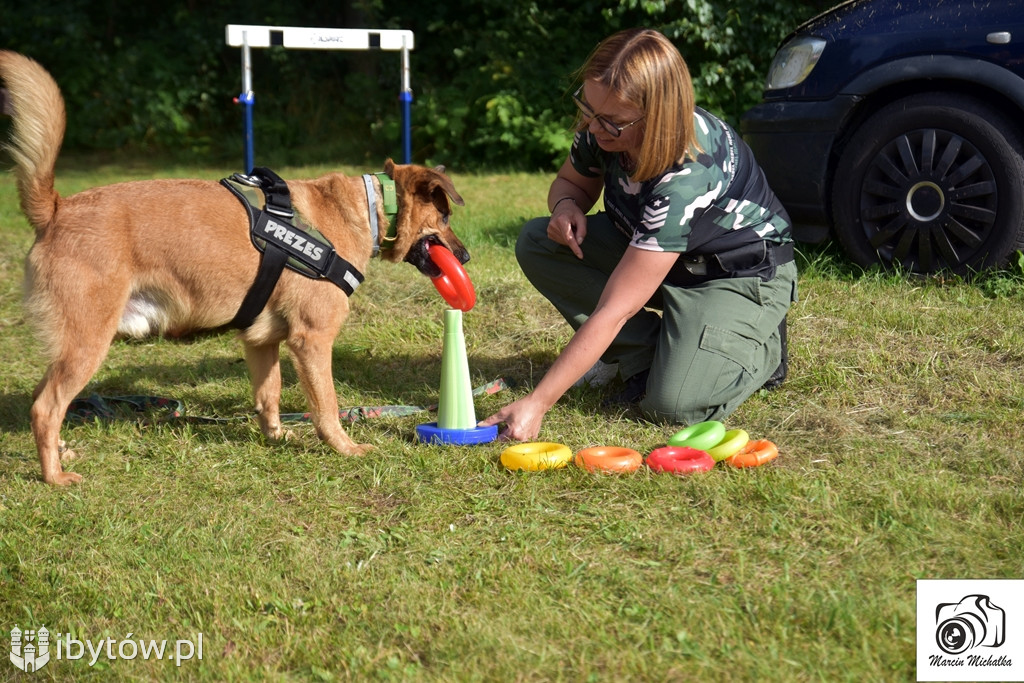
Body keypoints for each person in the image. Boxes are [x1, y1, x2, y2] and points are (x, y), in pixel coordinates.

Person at [479, 28, 798, 443]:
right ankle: (647, 356)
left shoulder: (687, 174)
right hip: (659, 260)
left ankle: (761, 348)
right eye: (588, 108)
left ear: (657, 117)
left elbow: (616, 309)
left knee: (673, 406)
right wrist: (565, 207)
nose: (593, 127)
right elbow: (569, 182)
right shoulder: (604, 123)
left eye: (610, 121)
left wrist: (538, 403)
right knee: (539, 240)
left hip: (736, 275)